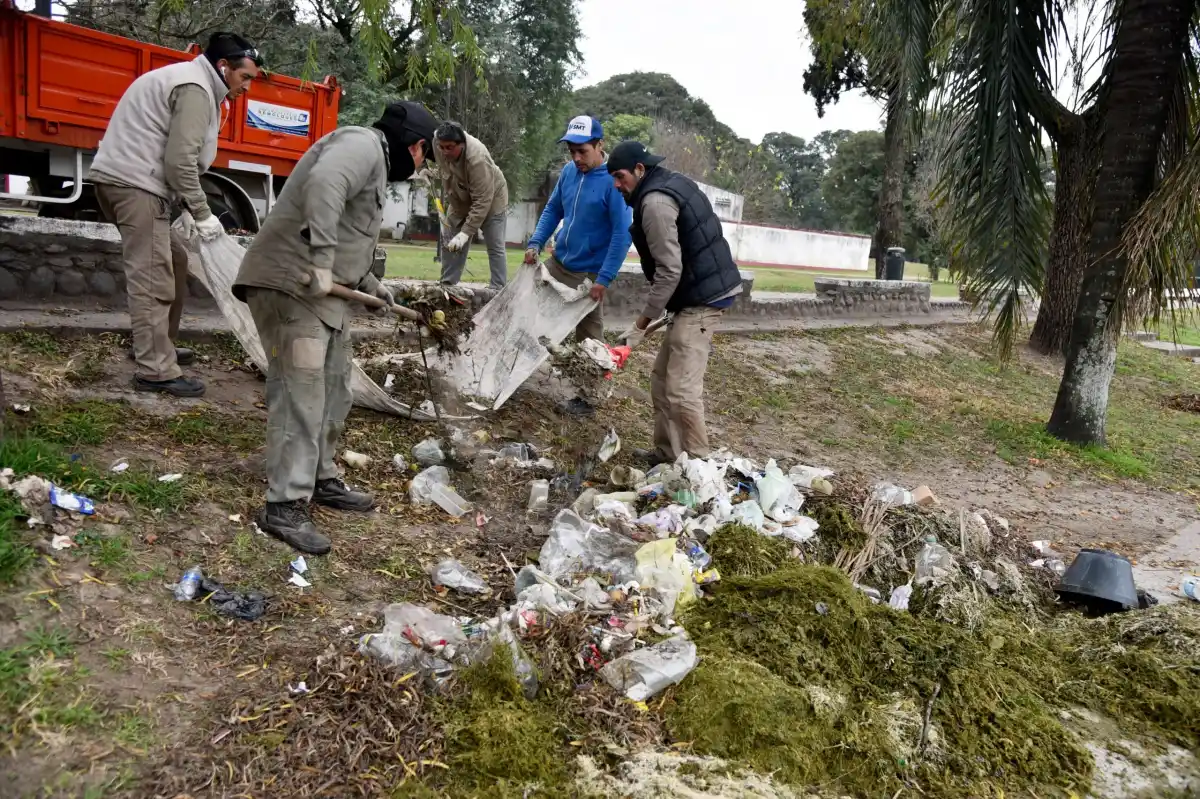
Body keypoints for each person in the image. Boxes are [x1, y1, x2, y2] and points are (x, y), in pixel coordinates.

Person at [231, 101, 438, 555]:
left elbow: (351, 234)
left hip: (324, 295)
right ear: (417, 146)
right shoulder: (361, 144)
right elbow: (325, 185)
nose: (420, 165)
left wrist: (371, 283)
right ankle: (283, 505)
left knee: (335, 388)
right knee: (301, 395)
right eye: (425, 157)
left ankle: (321, 479)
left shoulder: (376, 165)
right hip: (292, 284)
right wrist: (323, 261)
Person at [89, 32, 262, 398]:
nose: (247, 87)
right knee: (154, 277)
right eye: (244, 77)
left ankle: (156, 346)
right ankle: (155, 370)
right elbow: (179, 161)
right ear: (223, 67)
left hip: (131, 182)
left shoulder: (194, 81)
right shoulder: (196, 88)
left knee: (175, 259)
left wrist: (186, 206)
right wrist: (202, 213)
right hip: (135, 185)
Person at [608, 141, 743, 465]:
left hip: (702, 301)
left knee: (681, 390)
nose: (616, 184)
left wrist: (638, 327)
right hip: (693, 295)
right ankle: (668, 454)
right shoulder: (669, 183)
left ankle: (697, 466)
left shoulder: (654, 203)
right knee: (661, 379)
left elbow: (669, 272)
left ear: (640, 170)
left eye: (620, 176)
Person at [524, 115, 632, 416]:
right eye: (571, 150)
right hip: (559, 261)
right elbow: (553, 209)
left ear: (600, 146)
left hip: (589, 274)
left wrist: (604, 277)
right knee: (529, 312)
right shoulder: (570, 173)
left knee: (588, 337)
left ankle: (587, 397)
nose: (575, 157)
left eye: (582, 151)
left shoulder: (614, 183)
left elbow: (622, 235)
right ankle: (514, 369)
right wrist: (536, 242)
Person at [434, 121, 510, 289]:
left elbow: (483, 201)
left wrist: (465, 234)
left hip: (491, 200)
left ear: (461, 144)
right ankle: (447, 284)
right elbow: (443, 167)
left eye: (450, 147)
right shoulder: (437, 142)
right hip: (460, 196)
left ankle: (498, 288)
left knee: (495, 245)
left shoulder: (477, 160)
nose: (445, 152)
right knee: (449, 239)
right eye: (442, 147)